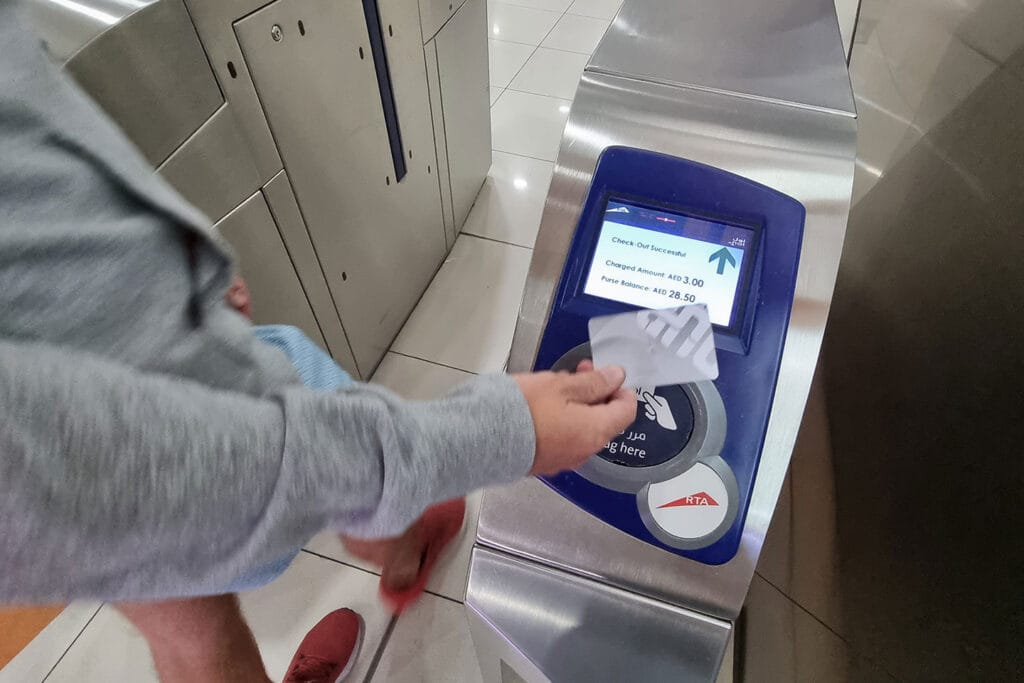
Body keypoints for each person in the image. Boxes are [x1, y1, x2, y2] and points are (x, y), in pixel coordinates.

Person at [0, 1, 637, 681]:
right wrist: (498, 432)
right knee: (337, 442)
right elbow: (116, 467)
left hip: (125, 382)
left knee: (189, 627)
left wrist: (176, 264)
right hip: (152, 430)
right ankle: (401, 537)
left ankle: (396, 532)